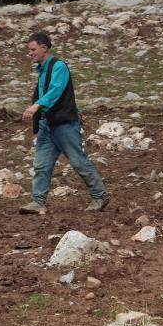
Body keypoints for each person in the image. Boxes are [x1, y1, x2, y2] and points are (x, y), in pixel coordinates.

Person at [20, 32, 110, 215]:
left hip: (64, 125)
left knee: (79, 162)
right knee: (41, 165)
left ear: (44, 48)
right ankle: (38, 201)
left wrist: (36, 106)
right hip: (48, 124)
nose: (30, 53)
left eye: (33, 49)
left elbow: (55, 91)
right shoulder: (43, 69)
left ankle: (100, 195)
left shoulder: (58, 66)